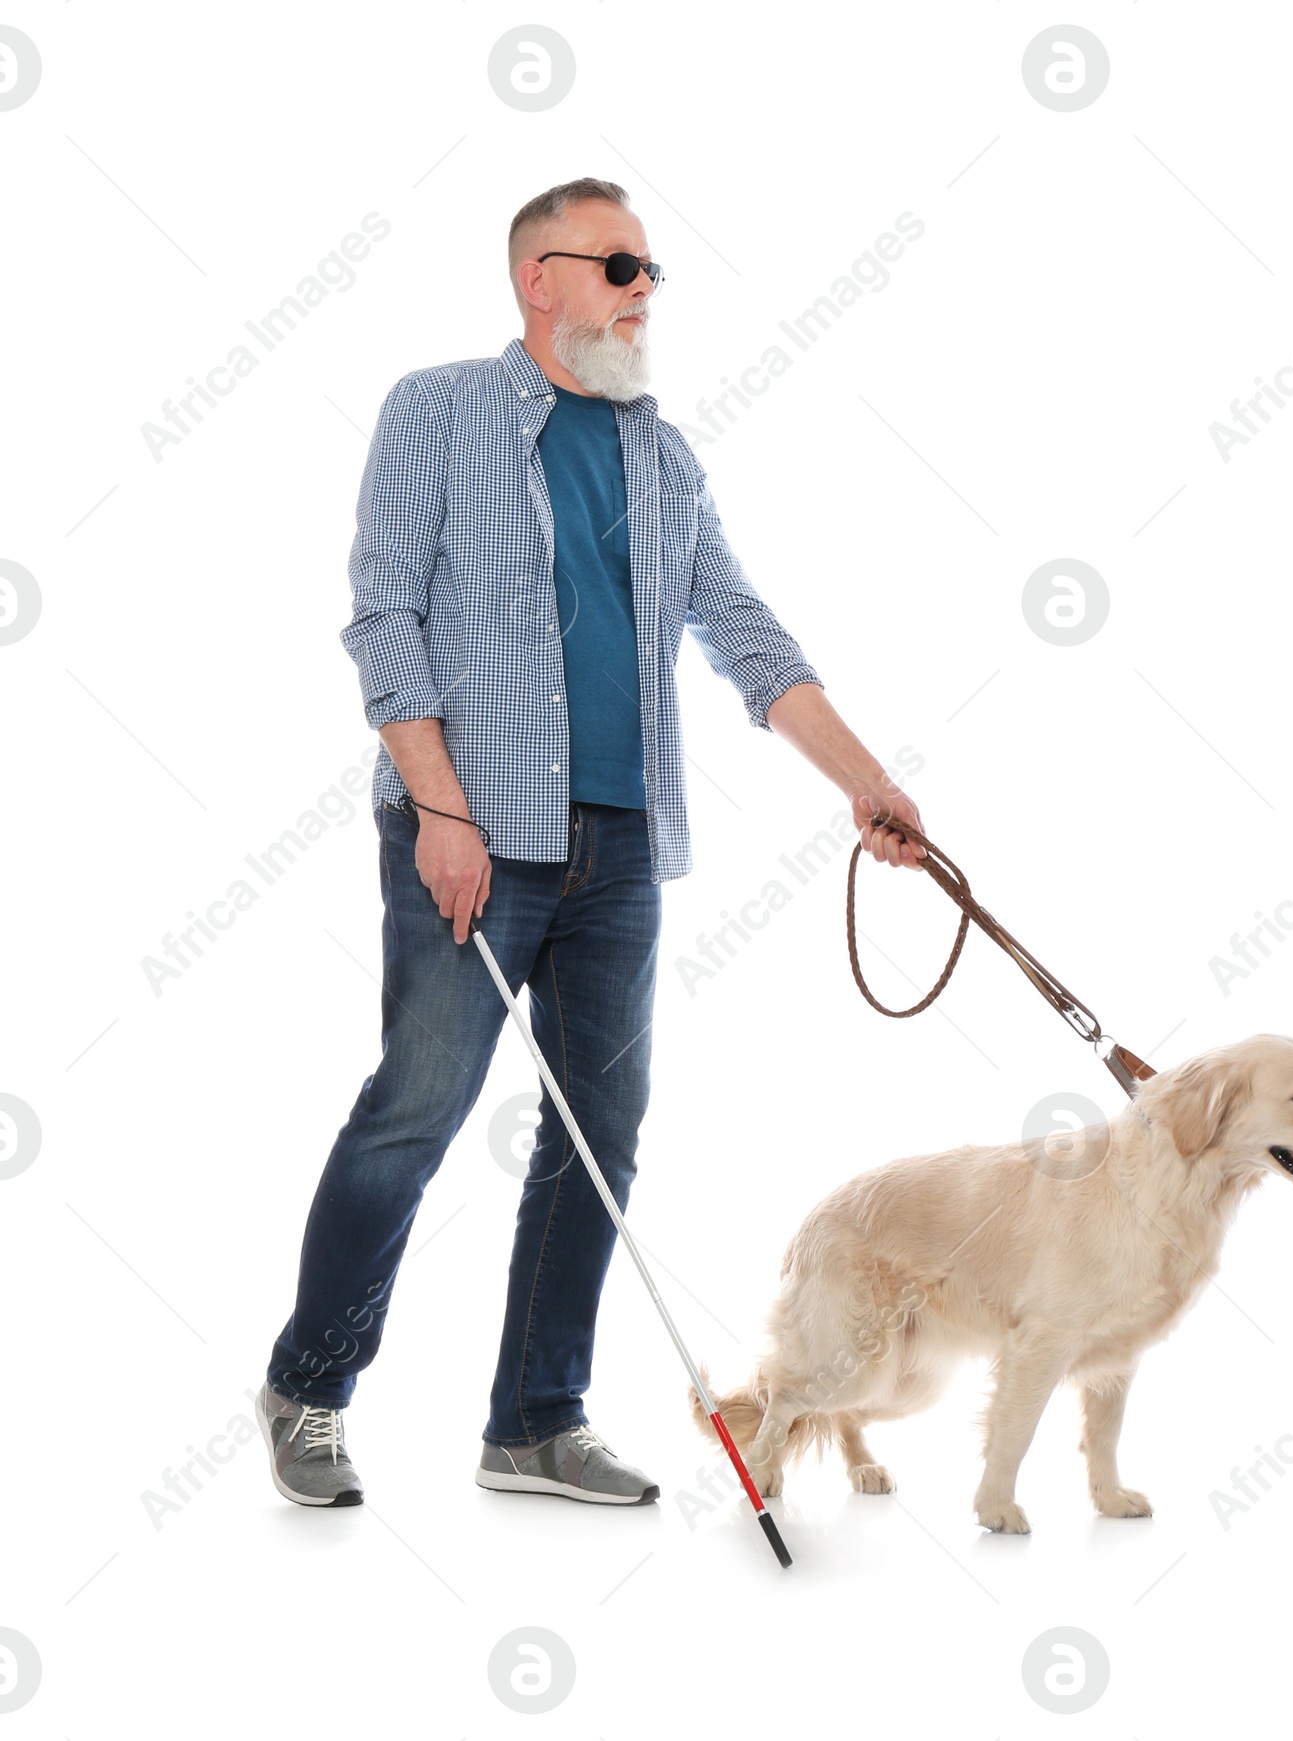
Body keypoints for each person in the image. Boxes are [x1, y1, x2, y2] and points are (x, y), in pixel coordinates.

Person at [256, 177, 926, 1508]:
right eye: (620, 264)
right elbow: (381, 617)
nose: (645, 289)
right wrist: (443, 812)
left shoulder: (663, 456)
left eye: (652, 267)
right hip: (472, 838)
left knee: (601, 1129)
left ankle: (536, 1419)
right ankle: (310, 1387)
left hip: (619, 851)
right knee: (415, 1113)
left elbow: (742, 629)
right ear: (539, 278)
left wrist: (865, 782)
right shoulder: (437, 409)